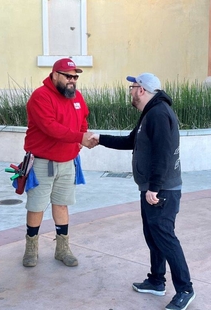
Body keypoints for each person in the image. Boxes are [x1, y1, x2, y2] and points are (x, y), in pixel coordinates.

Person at [90, 73, 195, 310]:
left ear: (141, 90)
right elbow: (131, 141)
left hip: (162, 190)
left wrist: (154, 188)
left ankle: (185, 289)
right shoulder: (150, 112)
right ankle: (156, 281)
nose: (129, 91)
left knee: (166, 239)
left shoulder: (158, 113)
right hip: (153, 189)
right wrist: (100, 138)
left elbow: (164, 153)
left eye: (132, 87)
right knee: (154, 237)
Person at [22, 58, 94, 268]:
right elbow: (50, 127)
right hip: (43, 162)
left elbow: (83, 120)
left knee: (61, 204)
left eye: (75, 77)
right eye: (68, 76)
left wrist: (80, 138)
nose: (72, 80)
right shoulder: (40, 96)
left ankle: (62, 248)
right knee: (36, 206)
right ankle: (31, 248)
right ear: (54, 75)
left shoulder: (77, 97)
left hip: (68, 161)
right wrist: (79, 138)